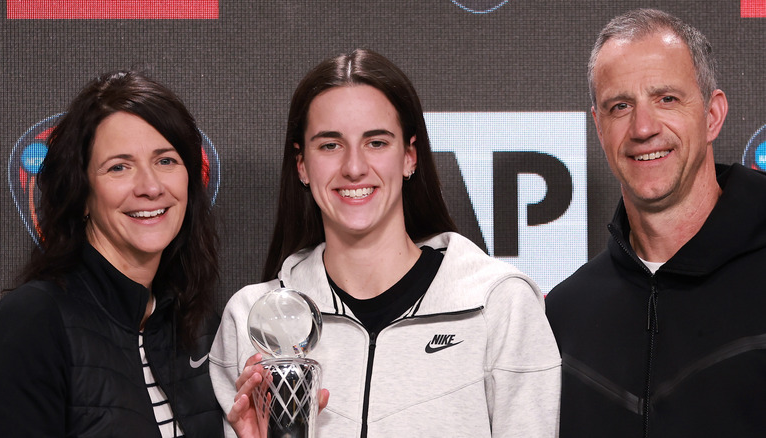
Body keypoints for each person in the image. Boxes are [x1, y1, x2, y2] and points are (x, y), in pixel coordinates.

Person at [210, 49, 561, 437]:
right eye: (330, 145)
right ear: (302, 166)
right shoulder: (251, 320)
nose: (354, 166)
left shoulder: (500, 305)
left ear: (410, 157)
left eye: (376, 142)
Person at [546, 8, 766, 437]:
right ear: (599, 127)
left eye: (666, 99)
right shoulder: (564, 316)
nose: (643, 127)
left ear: (712, 115)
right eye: (620, 106)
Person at [0, 71, 224, 437]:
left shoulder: (195, 323)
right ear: (81, 193)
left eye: (165, 161)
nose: (150, 187)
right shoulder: (33, 320)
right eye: (119, 167)